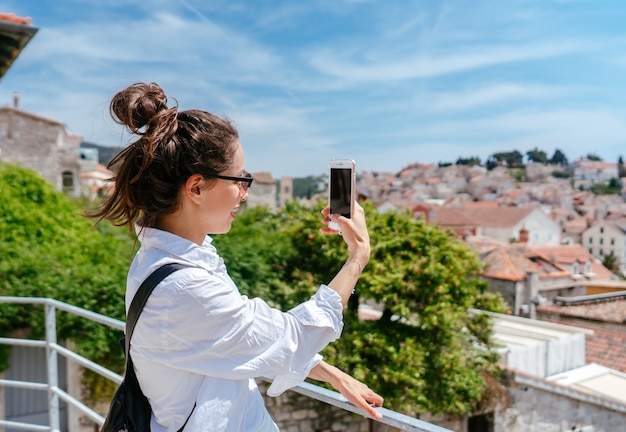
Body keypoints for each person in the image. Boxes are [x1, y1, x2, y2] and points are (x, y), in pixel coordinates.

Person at [91, 82, 383, 431]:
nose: (244, 193)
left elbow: (241, 334)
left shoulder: (177, 257)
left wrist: (330, 372)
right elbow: (294, 335)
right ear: (196, 187)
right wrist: (358, 256)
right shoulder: (183, 286)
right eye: (240, 179)